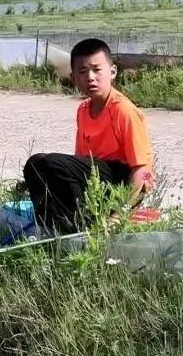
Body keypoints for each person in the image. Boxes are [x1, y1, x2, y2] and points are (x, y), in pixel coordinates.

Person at [22, 38, 154, 233]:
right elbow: (79, 165)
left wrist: (120, 213)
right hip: (96, 177)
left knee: (53, 163)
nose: (90, 77)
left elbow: (142, 170)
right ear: (73, 78)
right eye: (83, 72)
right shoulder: (83, 110)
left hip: (122, 181)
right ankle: (52, 229)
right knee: (35, 164)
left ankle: (85, 226)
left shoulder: (123, 111)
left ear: (112, 72)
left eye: (96, 69)